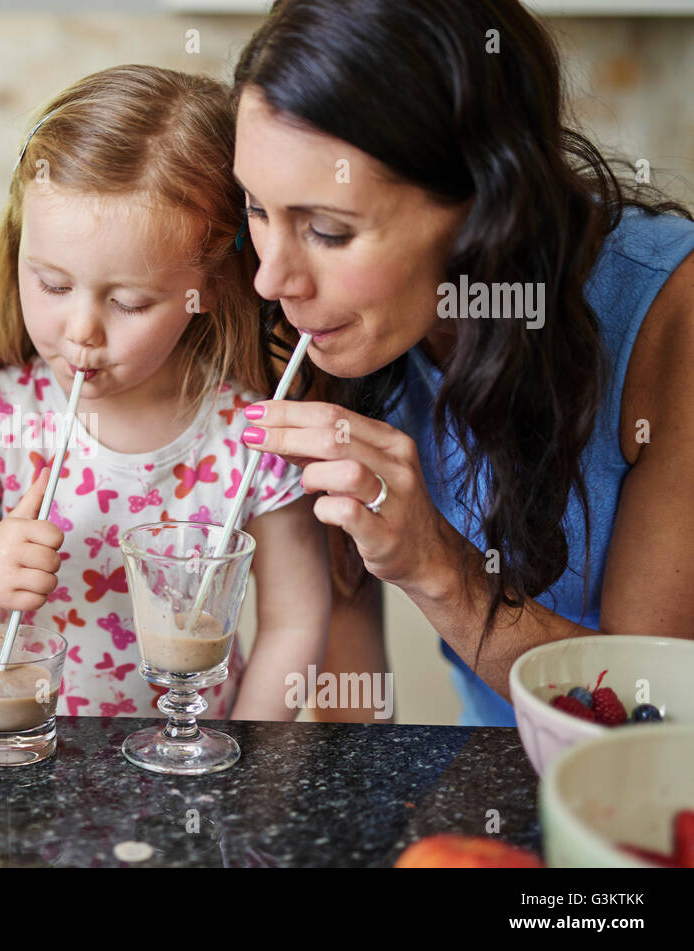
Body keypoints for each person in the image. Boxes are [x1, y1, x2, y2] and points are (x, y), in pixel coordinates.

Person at [232, 0, 694, 724]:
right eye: (256, 207)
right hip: (491, 774)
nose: (273, 278)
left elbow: (653, 715)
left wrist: (435, 565)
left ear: (486, 207)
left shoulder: (671, 317)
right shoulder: (318, 327)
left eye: (327, 228)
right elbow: (345, 652)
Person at [0, 65, 330, 721]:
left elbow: (296, 622)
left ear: (205, 286)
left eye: (129, 301)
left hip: (186, 789)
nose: (81, 330)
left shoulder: (251, 437)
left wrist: (245, 771)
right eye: (53, 284)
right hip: (29, 771)